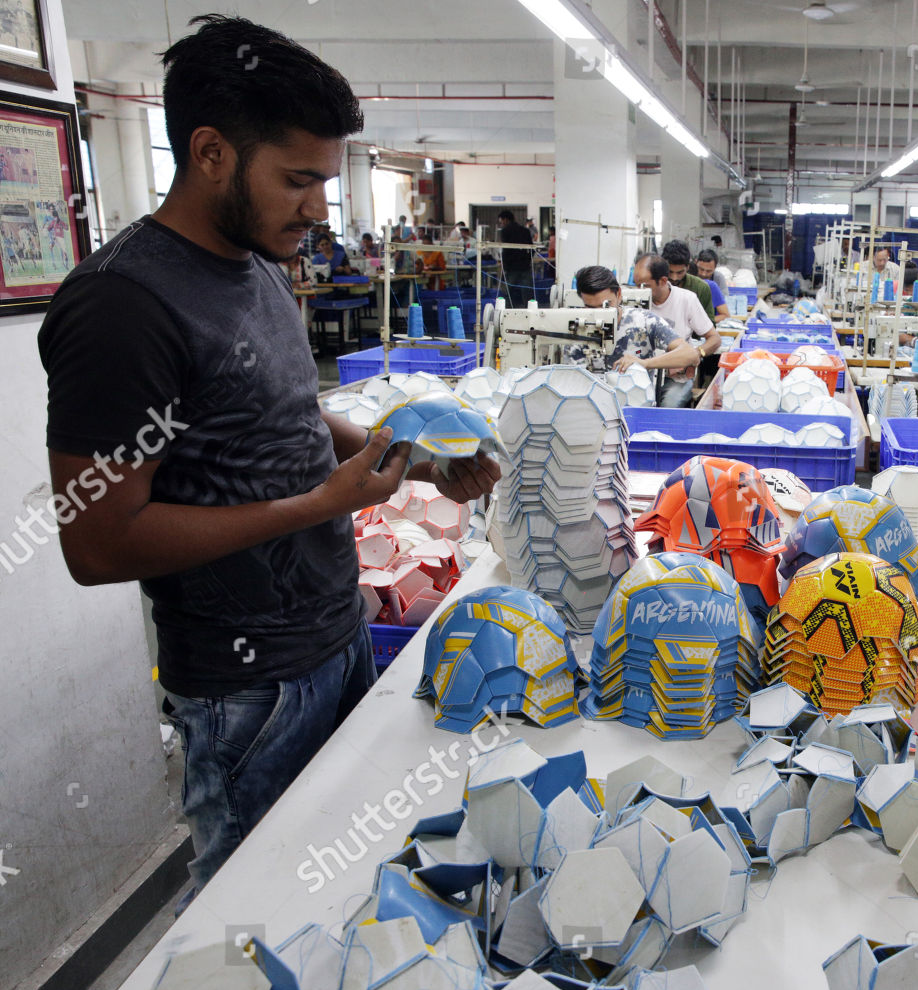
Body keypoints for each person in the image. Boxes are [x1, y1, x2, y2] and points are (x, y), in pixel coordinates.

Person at [35, 14, 499, 895]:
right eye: (297, 180)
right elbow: (94, 546)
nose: (319, 209)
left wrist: (418, 463)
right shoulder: (121, 308)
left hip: (336, 635)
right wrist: (319, 506)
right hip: (245, 691)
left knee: (352, 890)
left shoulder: (257, 265)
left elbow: (292, 414)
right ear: (211, 152)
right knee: (258, 922)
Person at [575, 264, 701, 407]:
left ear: (619, 294)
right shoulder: (575, 327)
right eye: (591, 308)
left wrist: (645, 363)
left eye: (606, 306)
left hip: (635, 408)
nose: (600, 315)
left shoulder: (644, 321)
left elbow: (690, 355)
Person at [633, 253, 718, 405]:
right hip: (641, 374)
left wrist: (694, 355)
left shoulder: (686, 299)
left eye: (645, 286)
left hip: (676, 377)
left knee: (668, 406)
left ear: (663, 281)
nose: (639, 290)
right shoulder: (633, 301)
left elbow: (714, 339)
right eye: (636, 284)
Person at [661, 239, 727, 321]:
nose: (674, 278)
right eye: (670, 272)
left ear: (687, 267)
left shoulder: (702, 288)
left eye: (680, 272)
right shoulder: (656, 285)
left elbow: (712, 323)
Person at [497, 209, 532, 305]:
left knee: (507, 292)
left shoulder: (505, 231)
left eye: (501, 222)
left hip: (511, 266)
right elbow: (532, 248)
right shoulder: (525, 231)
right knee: (527, 292)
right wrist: (528, 259)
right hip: (525, 265)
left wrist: (504, 265)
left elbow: (506, 250)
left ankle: (507, 311)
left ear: (505, 220)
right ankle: (529, 310)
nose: (501, 224)